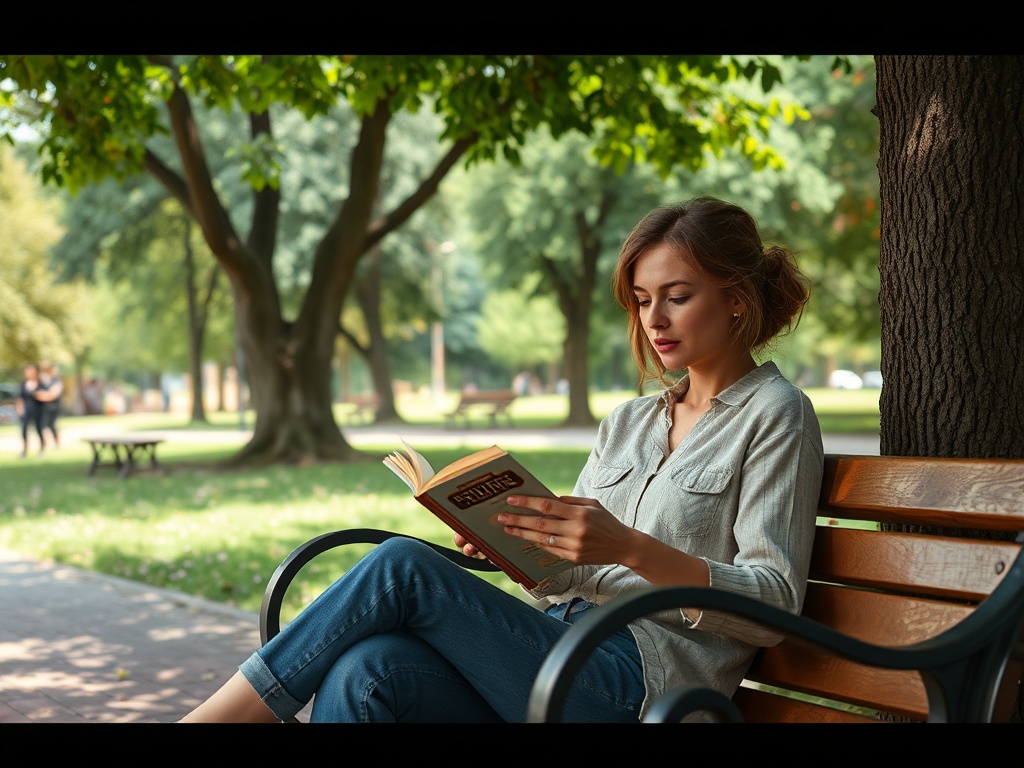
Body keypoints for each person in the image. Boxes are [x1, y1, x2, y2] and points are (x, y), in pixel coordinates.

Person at [180, 196, 824, 724]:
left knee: (401, 567)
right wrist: (518, 551)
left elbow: (772, 603)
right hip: (553, 648)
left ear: (737, 297)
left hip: (643, 685)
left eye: (675, 296)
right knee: (368, 669)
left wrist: (628, 547)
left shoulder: (776, 414)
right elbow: (565, 578)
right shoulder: (628, 422)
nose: (654, 318)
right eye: (641, 298)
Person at [15, 363, 45, 457]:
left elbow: (45, 395)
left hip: (38, 409)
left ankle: (42, 448)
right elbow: (20, 398)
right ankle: (24, 450)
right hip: (26, 410)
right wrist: (19, 409)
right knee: (24, 429)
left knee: (38, 429)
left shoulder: (41, 384)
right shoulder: (23, 385)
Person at [35, 363, 64, 449]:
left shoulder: (56, 382)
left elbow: (52, 395)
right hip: (43, 408)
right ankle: (44, 444)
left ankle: (56, 443)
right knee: (42, 426)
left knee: (51, 425)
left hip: (53, 407)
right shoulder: (43, 382)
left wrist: (40, 395)